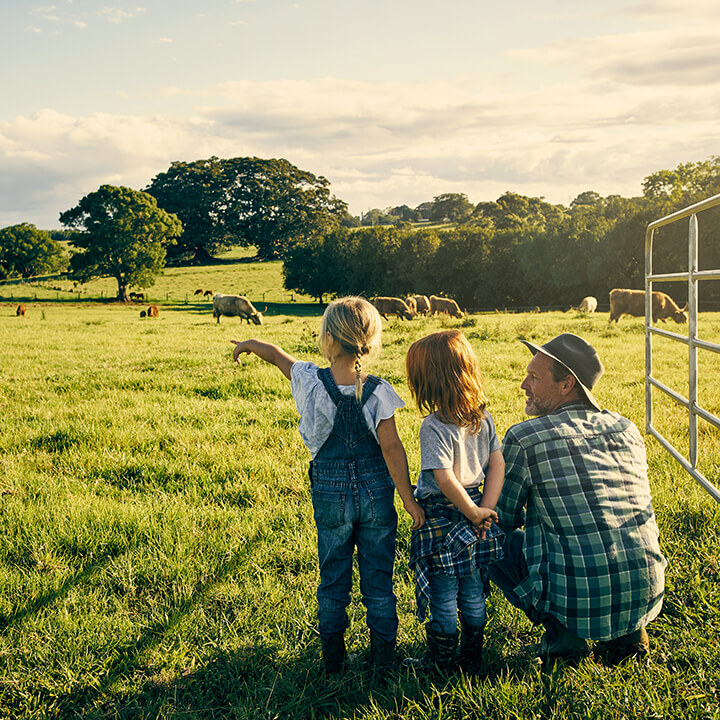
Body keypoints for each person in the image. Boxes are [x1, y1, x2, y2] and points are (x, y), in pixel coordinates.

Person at [231, 296, 424, 674]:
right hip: (376, 493)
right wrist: (409, 500)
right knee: (379, 580)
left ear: (328, 338)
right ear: (369, 339)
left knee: (333, 576)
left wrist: (249, 345)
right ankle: (383, 661)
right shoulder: (379, 390)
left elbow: (277, 356)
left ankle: (333, 661)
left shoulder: (309, 379)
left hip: (330, 493)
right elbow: (392, 448)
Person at [490, 333, 667, 665]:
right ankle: (629, 637)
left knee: (488, 537)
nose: (523, 384)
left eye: (534, 377)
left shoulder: (525, 437)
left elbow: (503, 516)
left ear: (566, 384)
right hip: (647, 592)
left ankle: (564, 638)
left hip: (580, 601)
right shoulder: (626, 428)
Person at [404, 330, 505, 674]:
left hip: (444, 517)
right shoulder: (484, 417)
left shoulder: (433, 426)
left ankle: (441, 661)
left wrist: (474, 512)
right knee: (474, 589)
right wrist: (483, 510)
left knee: (444, 593)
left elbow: (444, 479)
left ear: (428, 381)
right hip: (477, 512)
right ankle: (472, 658)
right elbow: (497, 464)